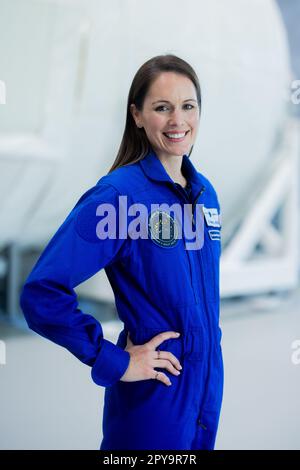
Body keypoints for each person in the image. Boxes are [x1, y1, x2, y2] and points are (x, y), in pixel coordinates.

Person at [20, 54, 223, 450]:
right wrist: (116, 362)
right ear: (137, 115)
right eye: (162, 108)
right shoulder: (119, 198)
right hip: (156, 395)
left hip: (206, 392)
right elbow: (41, 292)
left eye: (188, 106)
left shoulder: (205, 194)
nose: (178, 121)